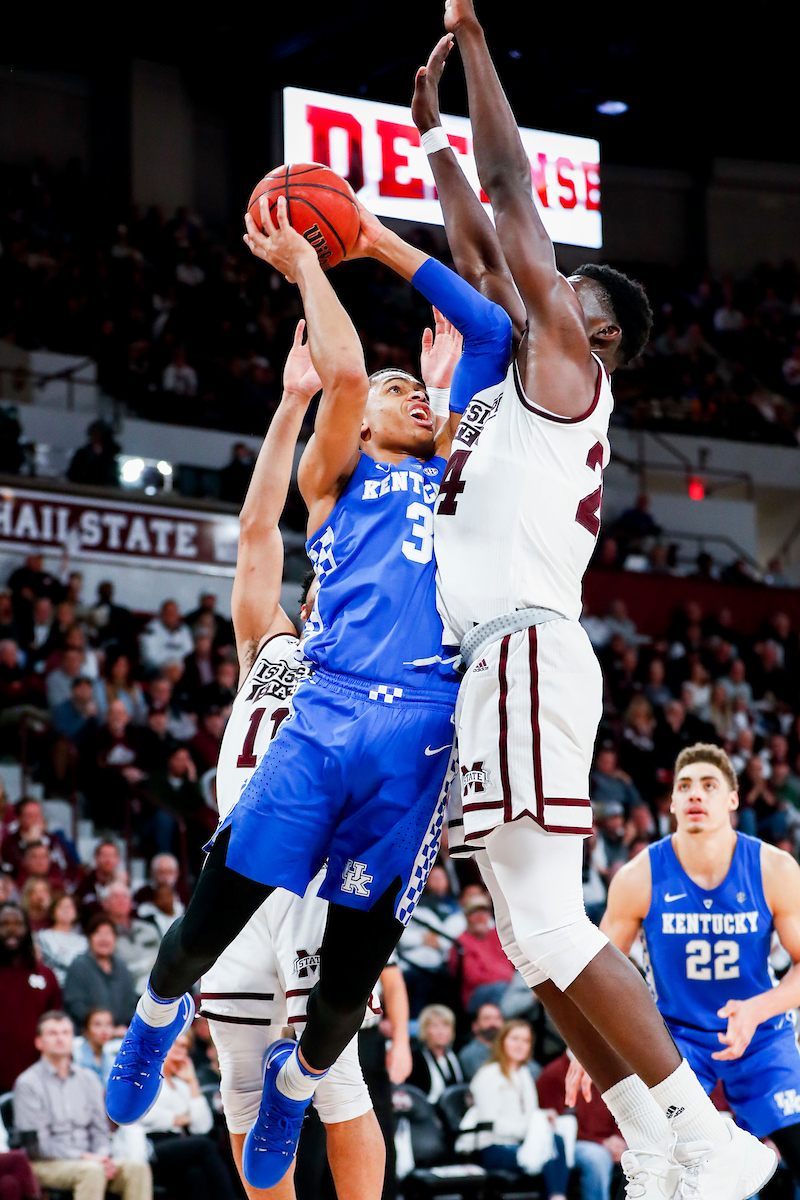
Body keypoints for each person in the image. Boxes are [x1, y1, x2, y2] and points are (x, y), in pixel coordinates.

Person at [407, 11, 773, 1196]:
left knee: (556, 929)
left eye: (555, 287)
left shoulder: (569, 367)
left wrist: (469, 46)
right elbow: (476, 240)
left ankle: (708, 1139)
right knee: (527, 941)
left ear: (592, 328)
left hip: (520, 651)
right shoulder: (518, 369)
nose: (528, 284)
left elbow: (513, 194)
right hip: (495, 663)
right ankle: (660, 1143)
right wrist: (430, 148)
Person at [106, 182, 485, 1196]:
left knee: (343, 1008)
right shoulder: (338, 488)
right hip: (318, 725)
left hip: (414, 736)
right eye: (393, 393)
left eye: (418, 392)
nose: (405, 396)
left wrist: (447, 377)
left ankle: (300, 1078)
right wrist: (315, 273)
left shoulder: (464, 489)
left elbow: (491, 377)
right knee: (200, 941)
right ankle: (150, 1023)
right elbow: (343, 389)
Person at [568, 743, 800, 1187]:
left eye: (709, 786)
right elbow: (591, 970)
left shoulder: (774, 868)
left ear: (732, 800)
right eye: (685, 786)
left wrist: (757, 1009)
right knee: (663, 1168)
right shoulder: (640, 875)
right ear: (671, 802)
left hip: (760, 1033)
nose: (696, 794)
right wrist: (582, 1042)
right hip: (677, 1041)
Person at [13, 1011, 150, 1200]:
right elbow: (37, 1146)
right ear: (39, 1042)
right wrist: (85, 1158)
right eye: (52, 1033)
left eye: (65, 1033)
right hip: (45, 1163)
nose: (60, 1039)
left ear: (73, 1039)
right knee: (91, 1171)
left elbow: (101, 1131)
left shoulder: (89, 1079)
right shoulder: (28, 1083)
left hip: (91, 1161)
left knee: (137, 1168)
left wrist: (101, 1156)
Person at [468, 1020, 569, 1198]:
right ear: (502, 1041)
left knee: (555, 1140)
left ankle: (557, 1196)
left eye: (525, 1040)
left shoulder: (524, 1074)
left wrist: (544, 1117)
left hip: (521, 1141)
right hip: (494, 1146)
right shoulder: (489, 1075)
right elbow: (490, 1123)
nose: (520, 1045)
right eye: (515, 1039)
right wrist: (529, 1130)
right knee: (547, 1147)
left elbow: (528, 1114)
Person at [137, 1032, 238, 1200]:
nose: (179, 1050)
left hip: (180, 1146)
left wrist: (192, 1083)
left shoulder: (182, 1085)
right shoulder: (147, 1077)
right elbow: (143, 1115)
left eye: (184, 1046)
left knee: (195, 1174)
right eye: (175, 1044)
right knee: (206, 1146)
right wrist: (178, 1119)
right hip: (150, 1145)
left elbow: (202, 1126)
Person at [537, 1052, 624, 1200]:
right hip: (573, 1144)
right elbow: (556, 1126)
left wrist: (619, 1138)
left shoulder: (606, 1068)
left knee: (643, 1151)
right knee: (597, 1157)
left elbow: (621, 1107)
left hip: (611, 1140)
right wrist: (602, 1143)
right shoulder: (552, 1074)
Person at [0, 903, 61, 1092]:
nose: (12, 930)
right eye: (4, 924)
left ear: (27, 929)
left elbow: (56, 1024)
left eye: (18, 923)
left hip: (38, 1082)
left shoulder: (46, 976)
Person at [63, 915, 137, 1033]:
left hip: (120, 1033)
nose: (104, 939)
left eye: (108, 934)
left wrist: (123, 1027)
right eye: (98, 933)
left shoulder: (122, 966)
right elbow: (75, 1005)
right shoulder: (79, 965)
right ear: (90, 938)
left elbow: (131, 1003)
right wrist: (104, 1029)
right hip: (87, 1035)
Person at [449, 894, 514, 1012]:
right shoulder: (461, 943)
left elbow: (511, 965)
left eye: (484, 912)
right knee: (503, 989)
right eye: (475, 912)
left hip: (506, 986)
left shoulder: (496, 935)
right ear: (467, 916)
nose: (480, 916)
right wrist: (504, 977)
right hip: (476, 995)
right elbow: (474, 978)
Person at [408, 1004, 463, 1101]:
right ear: (425, 1029)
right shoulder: (416, 1058)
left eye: (445, 1026)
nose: (441, 1031)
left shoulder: (454, 1055)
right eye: (435, 1026)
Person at [35, 893, 88, 986]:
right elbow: (62, 959)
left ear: (76, 913)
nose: (65, 910)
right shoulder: (44, 936)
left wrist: (64, 951)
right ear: (53, 911)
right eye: (61, 906)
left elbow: (87, 966)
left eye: (69, 906)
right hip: (55, 986)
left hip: (80, 987)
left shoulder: (83, 940)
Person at [72, 1008, 120, 1084]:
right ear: (86, 1029)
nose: (104, 1031)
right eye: (98, 1025)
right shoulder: (74, 1057)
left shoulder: (112, 1060)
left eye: (108, 1025)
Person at [458, 1002, 504, 1081]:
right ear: (475, 1026)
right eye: (487, 1018)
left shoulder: (508, 1048)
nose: (493, 1023)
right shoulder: (470, 1054)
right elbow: (485, 1081)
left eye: (497, 1018)